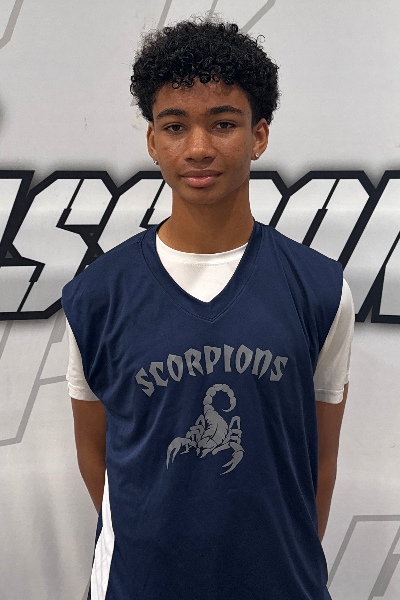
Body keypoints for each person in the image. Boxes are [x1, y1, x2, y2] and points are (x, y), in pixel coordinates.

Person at [62, 16, 355, 600]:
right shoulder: (97, 294)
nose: (198, 148)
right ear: (153, 140)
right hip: (139, 585)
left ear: (259, 135)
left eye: (223, 123)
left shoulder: (320, 289)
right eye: (175, 126)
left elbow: (319, 461)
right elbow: (96, 453)